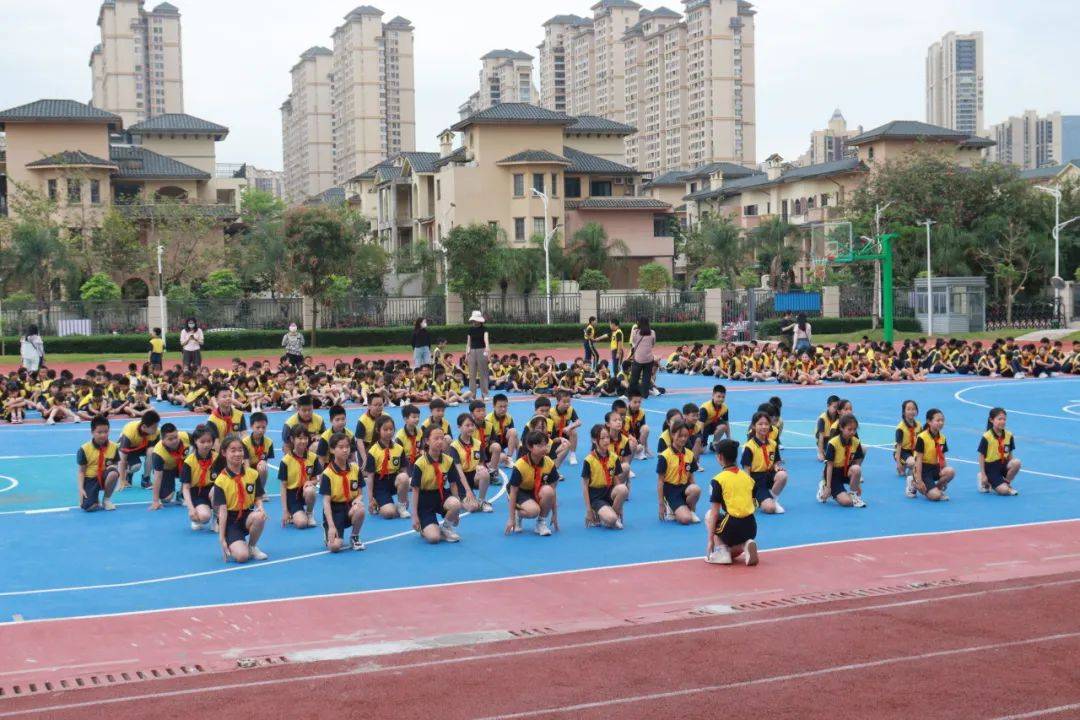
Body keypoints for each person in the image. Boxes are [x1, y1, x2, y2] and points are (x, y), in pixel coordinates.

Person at [212, 433, 268, 563]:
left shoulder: (253, 474)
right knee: (242, 557)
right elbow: (223, 511)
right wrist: (222, 539)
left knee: (259, 516)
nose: (238, 454)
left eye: (240, 450)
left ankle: (252, 546)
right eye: (233, 450)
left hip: (247, 515)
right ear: (224, 453)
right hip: (231, 521)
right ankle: (237, 543)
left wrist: (260, 507)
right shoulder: (221, 481)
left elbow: (258, 497)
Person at [705, 439, 759, 566]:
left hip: (732, 527)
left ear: (720, 457)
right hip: (751, 526)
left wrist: (710, 540)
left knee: (709, 516)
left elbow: (714, 513)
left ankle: (721, 552)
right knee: (734, 546)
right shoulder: (748, 478)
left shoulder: (718, 480)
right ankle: (745, 544)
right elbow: (754, 503)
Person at [410, 425, 464, 543]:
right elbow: (415, 490)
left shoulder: (448, 460)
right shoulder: (420, 464)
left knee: (455, 503)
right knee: (434, 538)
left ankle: (445, 528)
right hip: (424, 500)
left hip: (440, 495)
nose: (440, 441)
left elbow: (453, 484)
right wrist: (414, 516)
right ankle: (427, 529)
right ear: (427, 441)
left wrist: (456, 513)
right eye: (436, 438)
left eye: (442, 438)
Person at [507, 430, 561, 536]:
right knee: (533, 511)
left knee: (548, 491)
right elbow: (513, 491)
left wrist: (555, 514)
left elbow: (553, 490)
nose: (544, 448)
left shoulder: (549, 463)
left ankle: (541, 523)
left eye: (545, 445)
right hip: (520, 492)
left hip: (536, 490)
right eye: (540, 445)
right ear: (530, 447)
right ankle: (519, 515)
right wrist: (511, 518)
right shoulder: (520, 465)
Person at [320, 432, 367, 551]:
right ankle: (328, 528)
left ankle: (354, 536)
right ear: (332, 450)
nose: (345, 450)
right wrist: (331, 526)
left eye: (347, 447)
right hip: (334, 511)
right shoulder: (327, 474)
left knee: (360, 508)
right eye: (341, 447)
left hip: (349, 507)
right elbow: (326, 502)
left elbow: (360, 493)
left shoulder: (355, 469)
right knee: (335, 547)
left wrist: (357, 500)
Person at [582, 424, 628, 530]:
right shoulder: (589, 460)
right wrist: (588, 510)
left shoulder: (614, 457)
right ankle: (599, 513)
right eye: (602, 438)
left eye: (607, 437)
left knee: (623, 489)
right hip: (596, 496)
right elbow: (585, 486)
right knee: (611, 519)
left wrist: (620, 507)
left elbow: (616, 481)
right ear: (594, 440)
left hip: (609, 491)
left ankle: (613, 514)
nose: (606, 440)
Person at [655, 420, 702, 524]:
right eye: (680, 436)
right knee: (686, 519)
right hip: (671, 490)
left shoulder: (689, 454)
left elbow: (691, 478)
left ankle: (690, 510)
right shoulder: (665, 456)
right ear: (672, 434)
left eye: (686, 436)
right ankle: (670, 506)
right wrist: (661, 503)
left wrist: (694, 502)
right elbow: (660, 481)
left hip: (684, 487)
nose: (683, 439)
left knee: (696, 489)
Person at [366, 415, 412, 519]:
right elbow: (370, 477)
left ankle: (401, 507)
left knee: (405, 477)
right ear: (378, 430)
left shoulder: (399, 449)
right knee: (389, 513)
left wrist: (405, 496)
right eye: (385, 429)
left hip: (394, 480)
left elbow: (404, 470)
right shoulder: (373, 451)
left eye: (391, 429)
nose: (389, 432)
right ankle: (381, 503)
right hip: (380, 484)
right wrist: (370, 499)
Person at [741, 411, 787, 514]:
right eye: (760, 424)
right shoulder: (749, 447)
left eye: (766, 424)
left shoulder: (773, 444)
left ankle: (773, 500)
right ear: (754, 426)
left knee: (782, 475)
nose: (764, 427)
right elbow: (746, 471)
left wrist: (777, 468)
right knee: (770, 509)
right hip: (756, 481)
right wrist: (748, 492)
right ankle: (758, 500)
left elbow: (775, 463)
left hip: (769, 475)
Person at [821, 415, 866, 507]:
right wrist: (828, 487)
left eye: (854, 429)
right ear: (841, 428)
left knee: (857, 468)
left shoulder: (856, 442)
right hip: (834, 473)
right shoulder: (833, 443)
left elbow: (856, 464)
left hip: (846, 471)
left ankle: (853, 495)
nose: (852, 432)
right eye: (849, 429)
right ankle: (823, 486)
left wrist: (857, 485)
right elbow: (829, 466)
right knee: (846, 502)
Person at [278, 426, 319, 528]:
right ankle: (294, 513)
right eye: (299, 438)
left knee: (311, 490)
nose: (303, 441)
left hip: (305, 491)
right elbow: (283, 487)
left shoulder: (313, 457)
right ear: (292, 439)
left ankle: (309, 513)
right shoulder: (286, 461)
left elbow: (316, 479)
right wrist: (285, 511)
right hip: (292, 494)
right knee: (301, 524)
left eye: (305, 438)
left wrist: (311, 483)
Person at [76, 416, 119, 511]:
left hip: (104, 476)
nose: (103, 435)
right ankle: (93, 499)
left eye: (106, 432)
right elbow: (81, 472)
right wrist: (81, 489)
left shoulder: (114, 447)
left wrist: (113, 467)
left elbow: (115, 464)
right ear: (92, 432)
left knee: (114, 473)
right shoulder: (84, 449)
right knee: (89, 507)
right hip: (90, 479)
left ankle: (106, 500)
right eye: (99, 432)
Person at [180, 425, 218, 531]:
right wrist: (190, 508)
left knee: (217, 489)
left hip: (213, 490)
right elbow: (186, 488)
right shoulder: (189, 462)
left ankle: (217, 518)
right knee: (204, 517)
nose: (206, 445)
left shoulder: (218, 458)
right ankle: (198, 516)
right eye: (202, 442)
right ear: (195, 442)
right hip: (197, 492)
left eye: (209, 441)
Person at [913, 408, 955, 502]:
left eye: (942, 420)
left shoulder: (942, 438)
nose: (941, 423)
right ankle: (913, 482)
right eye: (938, 420)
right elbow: (918, 460)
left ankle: (937, 489)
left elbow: (942, 457)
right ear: (929, 421)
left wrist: (944, 480)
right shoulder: (922, 438)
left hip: (935, 468)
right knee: (935, 497)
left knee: (950, 471)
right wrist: (919, 480)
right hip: (924, 469)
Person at [977, 407, 1021, 496]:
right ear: (991, 420)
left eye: (1004, 419)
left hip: (1003, 463)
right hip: (991, 468)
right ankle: (984, 479)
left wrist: (1010, 467)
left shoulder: (1009, 435)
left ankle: (1007, 483)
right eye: (999, 419)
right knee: (1004, 491)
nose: (1003, 421)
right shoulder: (987, 437)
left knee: (1017, 462)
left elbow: (1010, 454)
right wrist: (983, 474)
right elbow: (981, 456)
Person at [148, 422, 191, 510]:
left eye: (176, 437)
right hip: (166, 471)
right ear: (162, 439)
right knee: (166, 498)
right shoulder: (158, 453)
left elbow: (200, 441)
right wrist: (155, 501)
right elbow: (157, 477)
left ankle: (182, 494)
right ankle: (171, 489)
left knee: (193, 466)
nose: (174, 441)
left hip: (183, 467)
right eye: (170, 439)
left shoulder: (186, 436)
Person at [116, 410, 161, 490]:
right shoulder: (129, 431)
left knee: (152, 451)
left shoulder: (156, 432)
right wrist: (121, 481)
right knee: (136, 466)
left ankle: (146, 479)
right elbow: (121, 459)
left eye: (157, 426)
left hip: (141, 447)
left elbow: (158, 454)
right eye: (154, 427)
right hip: (129, 450)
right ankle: (127, 474)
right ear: (144, 427)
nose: (156, 429)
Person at [895, 399, 921, 498]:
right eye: (908, 409)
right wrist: (898, 463)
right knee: (913, 463)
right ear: (903, 412)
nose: (911, 411)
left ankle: (909, 469)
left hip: (914, 450)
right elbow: (898, 446)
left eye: (914, 409)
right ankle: (904, 467)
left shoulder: (918, 425)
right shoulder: (900, 428)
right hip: (903, 452)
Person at [465, 310, 490, 401]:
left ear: (479, 320)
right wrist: (466, 355)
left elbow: (486, 340)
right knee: (472, 374)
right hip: (471, 351)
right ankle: (472, 395)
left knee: (483, 373)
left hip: (482, 350)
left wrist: (487, 349)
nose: (474, 322)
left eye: (475, 320)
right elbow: (468, 343)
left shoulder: (484, 329)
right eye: (473, 320)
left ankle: (485, 394)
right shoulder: (470, 329)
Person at [629, 318, 657, 398]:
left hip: (638, 358)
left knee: (634, 378)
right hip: (649, 358)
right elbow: (653, 344)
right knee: (646, 378)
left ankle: (632, 394)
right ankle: (645, 394)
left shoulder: (635, 332)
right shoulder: (652, 332)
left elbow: (633, 342)